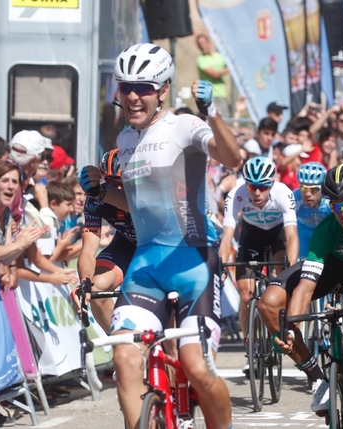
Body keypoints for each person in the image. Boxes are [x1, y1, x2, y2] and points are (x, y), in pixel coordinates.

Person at [78, 43, 240, 429]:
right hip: (147, 265)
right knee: (124, 356)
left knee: (197, 368)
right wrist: (101, 192)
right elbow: (139, 205)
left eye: (145, 87)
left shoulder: (183, 126)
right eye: (126, 87)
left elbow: (232, 159)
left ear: (163, 89)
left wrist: (212, 114)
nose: (134, 96)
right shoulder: (125, 141)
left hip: (192, 261)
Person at [258, 164, 343, 422]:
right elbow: (305, 287)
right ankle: (319, 380)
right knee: (270, 304)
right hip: (334, 268)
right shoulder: (328, 229)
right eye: (337, 206)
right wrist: (291, 326)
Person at [0, 161, 47, 428]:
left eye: (14, 182)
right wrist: (21, 243)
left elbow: (5, 255)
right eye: (4, 180)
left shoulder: (6, 213)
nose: (10, 186)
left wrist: (23, 245)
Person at [218, 156, 298, 373]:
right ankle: (251, 347)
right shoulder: (236, 194)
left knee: (282, 277)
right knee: (246, 297)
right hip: (251, 236)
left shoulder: (284, 193)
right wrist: (221, 265)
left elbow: (291, 236)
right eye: (252, 186)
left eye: (263, 187)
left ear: (271, 184)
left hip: (277, 235)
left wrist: (290, 268)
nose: (256, 193)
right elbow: (227, 236)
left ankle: (279, 328)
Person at [72, 149, 136, 334]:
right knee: (96, 288)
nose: (114, 188)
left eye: (120, 182)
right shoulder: (96, 199)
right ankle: (122, 342)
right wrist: (84, 282)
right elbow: (88, 249)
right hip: (126, 245)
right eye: (109, 182)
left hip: (157, 248)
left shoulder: (146, 192)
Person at [293, 162, 331, 258]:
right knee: (301, 266)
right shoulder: (294, 197)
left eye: (314, 189)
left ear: (322, 188)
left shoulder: (330, 198)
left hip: (326, 234)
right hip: (304, 234)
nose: (308, 194)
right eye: (303, 188)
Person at [195, 33, 230, 118]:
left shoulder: (219, 56)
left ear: (208, 42)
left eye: (203, 43)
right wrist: (229, 68)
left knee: (226, 121)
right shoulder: (201, 60)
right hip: (211, 96)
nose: (202, 45)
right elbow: (215, 74)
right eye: (200, 44)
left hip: (222, 94)